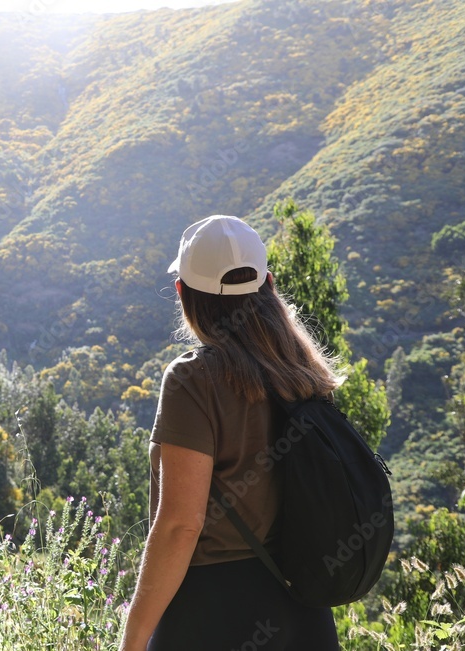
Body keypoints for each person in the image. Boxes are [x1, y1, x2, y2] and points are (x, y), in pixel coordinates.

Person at [119, 215, 342, 651]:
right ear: (268, 285)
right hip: (305, 607)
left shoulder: (193, 380)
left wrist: (132, 641)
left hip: (212, 613)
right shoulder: (307, 373)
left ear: (182, 293)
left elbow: (181, 526)